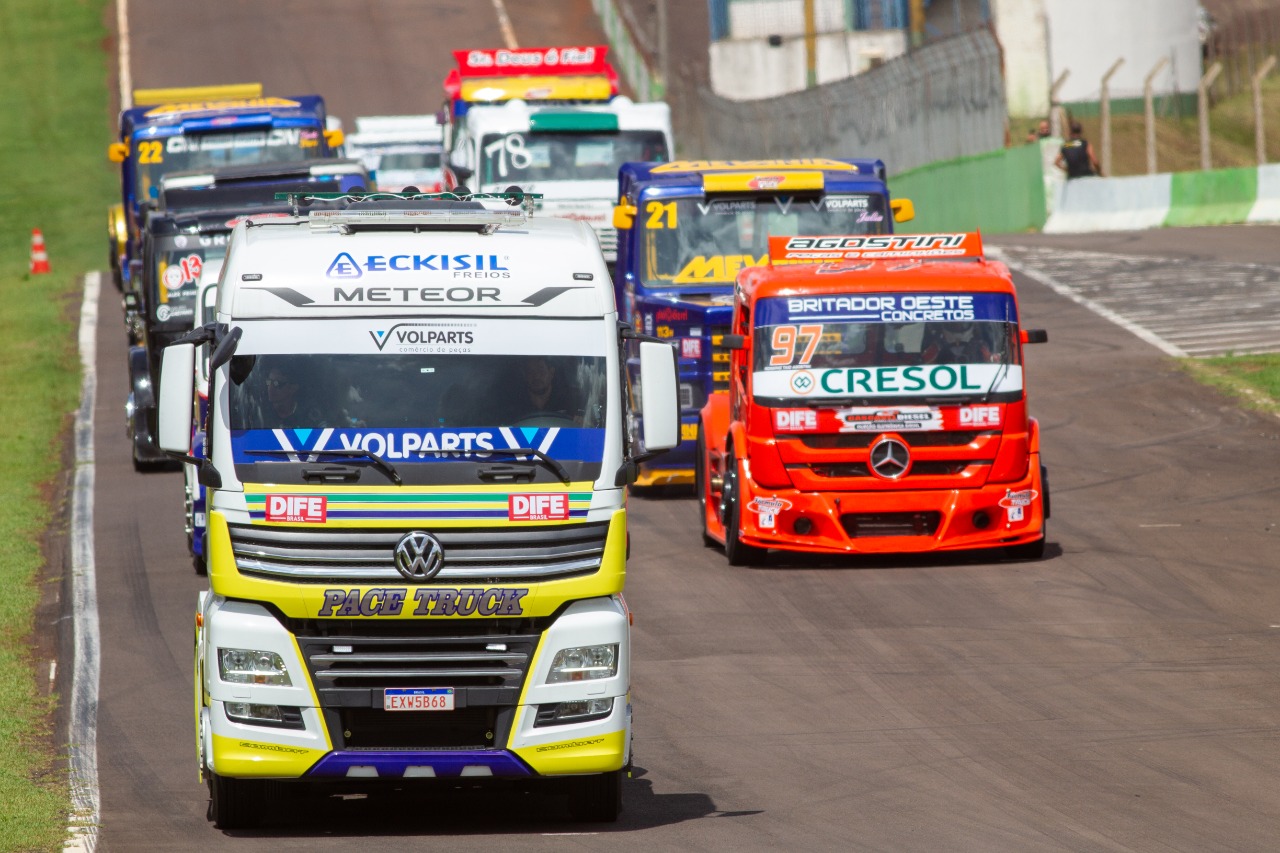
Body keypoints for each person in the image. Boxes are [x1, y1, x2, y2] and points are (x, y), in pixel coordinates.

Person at [263, 363, 328, 428]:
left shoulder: (312, 416)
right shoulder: (259, 412)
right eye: (268, 382)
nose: (270, 388)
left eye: (276, 384)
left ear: (293, 388)